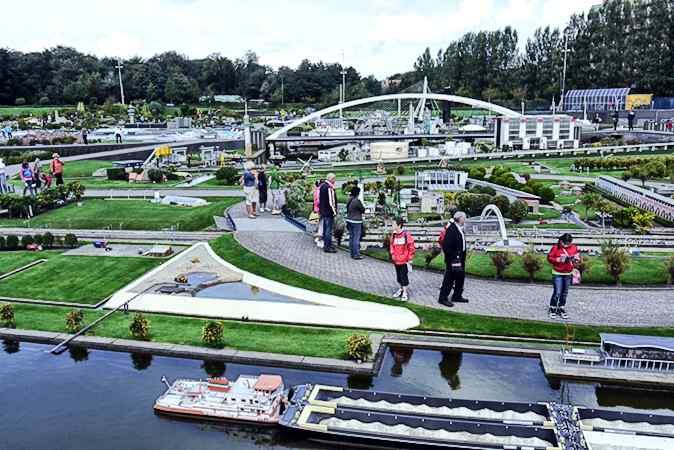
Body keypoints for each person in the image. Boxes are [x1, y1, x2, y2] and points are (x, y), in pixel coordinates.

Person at [438, 211, 469, 307]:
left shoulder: (459, 228)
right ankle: (442, 298)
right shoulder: (452, 229)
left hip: (460, 257)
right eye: (464, 218)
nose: (465, 219)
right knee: (449, 279)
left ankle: (457, 296)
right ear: (460, 218)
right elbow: (446, 246)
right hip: (453, 259)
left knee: (460, 277)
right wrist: (454, 258)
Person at [546, 233, 580, 320]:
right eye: (565, 243)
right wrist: (558, 259)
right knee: (557, 292)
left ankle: (561, 307)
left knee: (565, 293)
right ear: (561, 241)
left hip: (568, 273)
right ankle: (552, 308)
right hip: (558, 273)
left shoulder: (574, 247)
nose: (566, 245)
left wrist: (576, 259)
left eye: (569, 243)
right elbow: (549, 258)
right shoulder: (555, 247)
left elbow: (577, 257)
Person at [389, 217, 415, 301]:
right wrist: (392, 254)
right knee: (399, 276)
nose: (392, 225)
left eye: (394, 224)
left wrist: (410, 258)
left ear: (399, 225)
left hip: (404, 261)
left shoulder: (406, 235)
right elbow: (391, 245)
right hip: (396, 260)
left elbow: (411, 247)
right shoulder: (394, 234)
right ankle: (401, 289)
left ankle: (404, 292)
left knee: (404, 276)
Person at [318, 173, 337, 253]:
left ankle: (327, 244)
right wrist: (334, 212)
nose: (335, 181)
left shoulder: (322, 186)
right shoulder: (329, 188)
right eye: (334, 179)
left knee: (325, 229)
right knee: (328, 230)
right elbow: (331, 202)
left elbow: (320, 199)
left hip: (323, 211)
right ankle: (328, 246)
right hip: (328, 212)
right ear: (331, 179)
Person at [345, 186, 365, 259]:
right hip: (356, 221)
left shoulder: (349, 199)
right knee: (356, 237)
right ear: (357, 193)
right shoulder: (357, 201)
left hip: (349, 219)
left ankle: (352, 253)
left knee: (351, 237)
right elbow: (362, 209)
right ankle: (356, 254)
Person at [312, 179, 324, 248]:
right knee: (321, 225)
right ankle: (319, 240)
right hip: (320, 210)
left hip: (316, 209)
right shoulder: (320, 191)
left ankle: (317, 238)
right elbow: (319, 201)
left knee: (319, 224)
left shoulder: (316, 190)